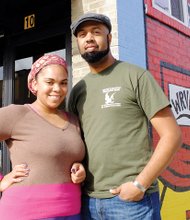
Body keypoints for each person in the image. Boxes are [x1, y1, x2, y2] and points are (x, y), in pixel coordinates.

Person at [68, 13, 182, 220]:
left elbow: (172, 135)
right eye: (82, 34)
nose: (89, 38)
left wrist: (140, 184)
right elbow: (75, 142)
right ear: (78, 43)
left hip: (132, 202)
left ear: (109, 38)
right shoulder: (78, 90)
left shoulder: (136, 76)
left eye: (96, 32)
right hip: (89, 201)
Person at [0, 54, 86, 220]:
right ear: (34, 84)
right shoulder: (17, 114)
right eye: (50, 82)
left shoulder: (73, 120)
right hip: (25, 213)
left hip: (72, 211)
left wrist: (79, 168)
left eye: (63, 83)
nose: (57, 89)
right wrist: (2, 181)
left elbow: (63, 157)